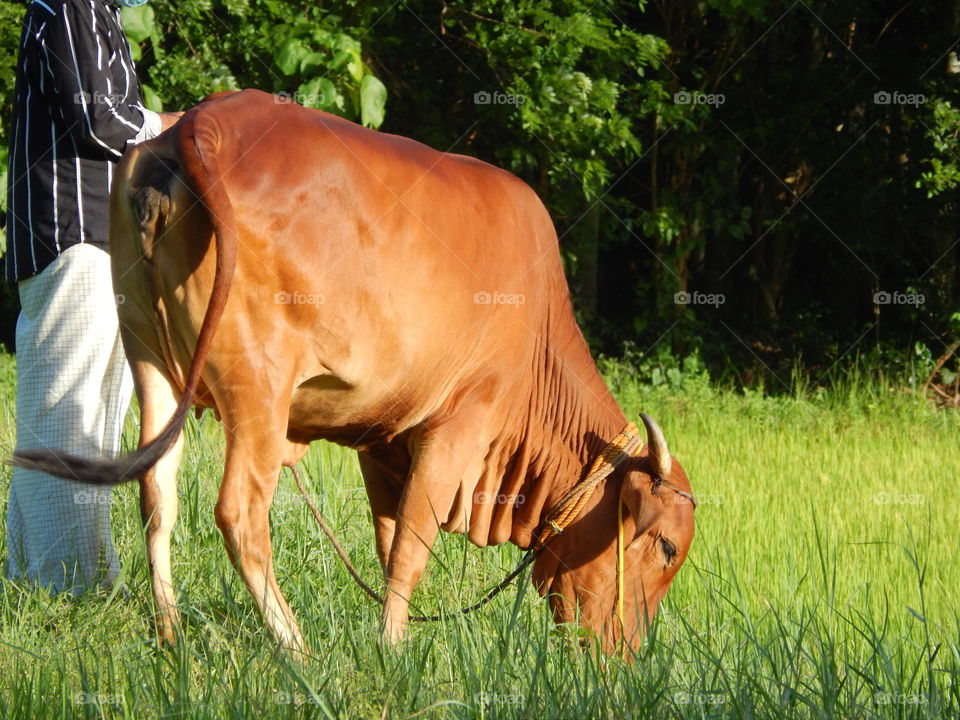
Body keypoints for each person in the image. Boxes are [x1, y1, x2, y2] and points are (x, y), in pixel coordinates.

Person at [4, 0, 180, 593]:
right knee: (71, 416)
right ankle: (70, 585)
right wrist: (180, 126)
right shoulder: (71, 2)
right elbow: (101, 119)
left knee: (79, 414)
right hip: (73, 237)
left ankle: (34, 577)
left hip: (92, 240)